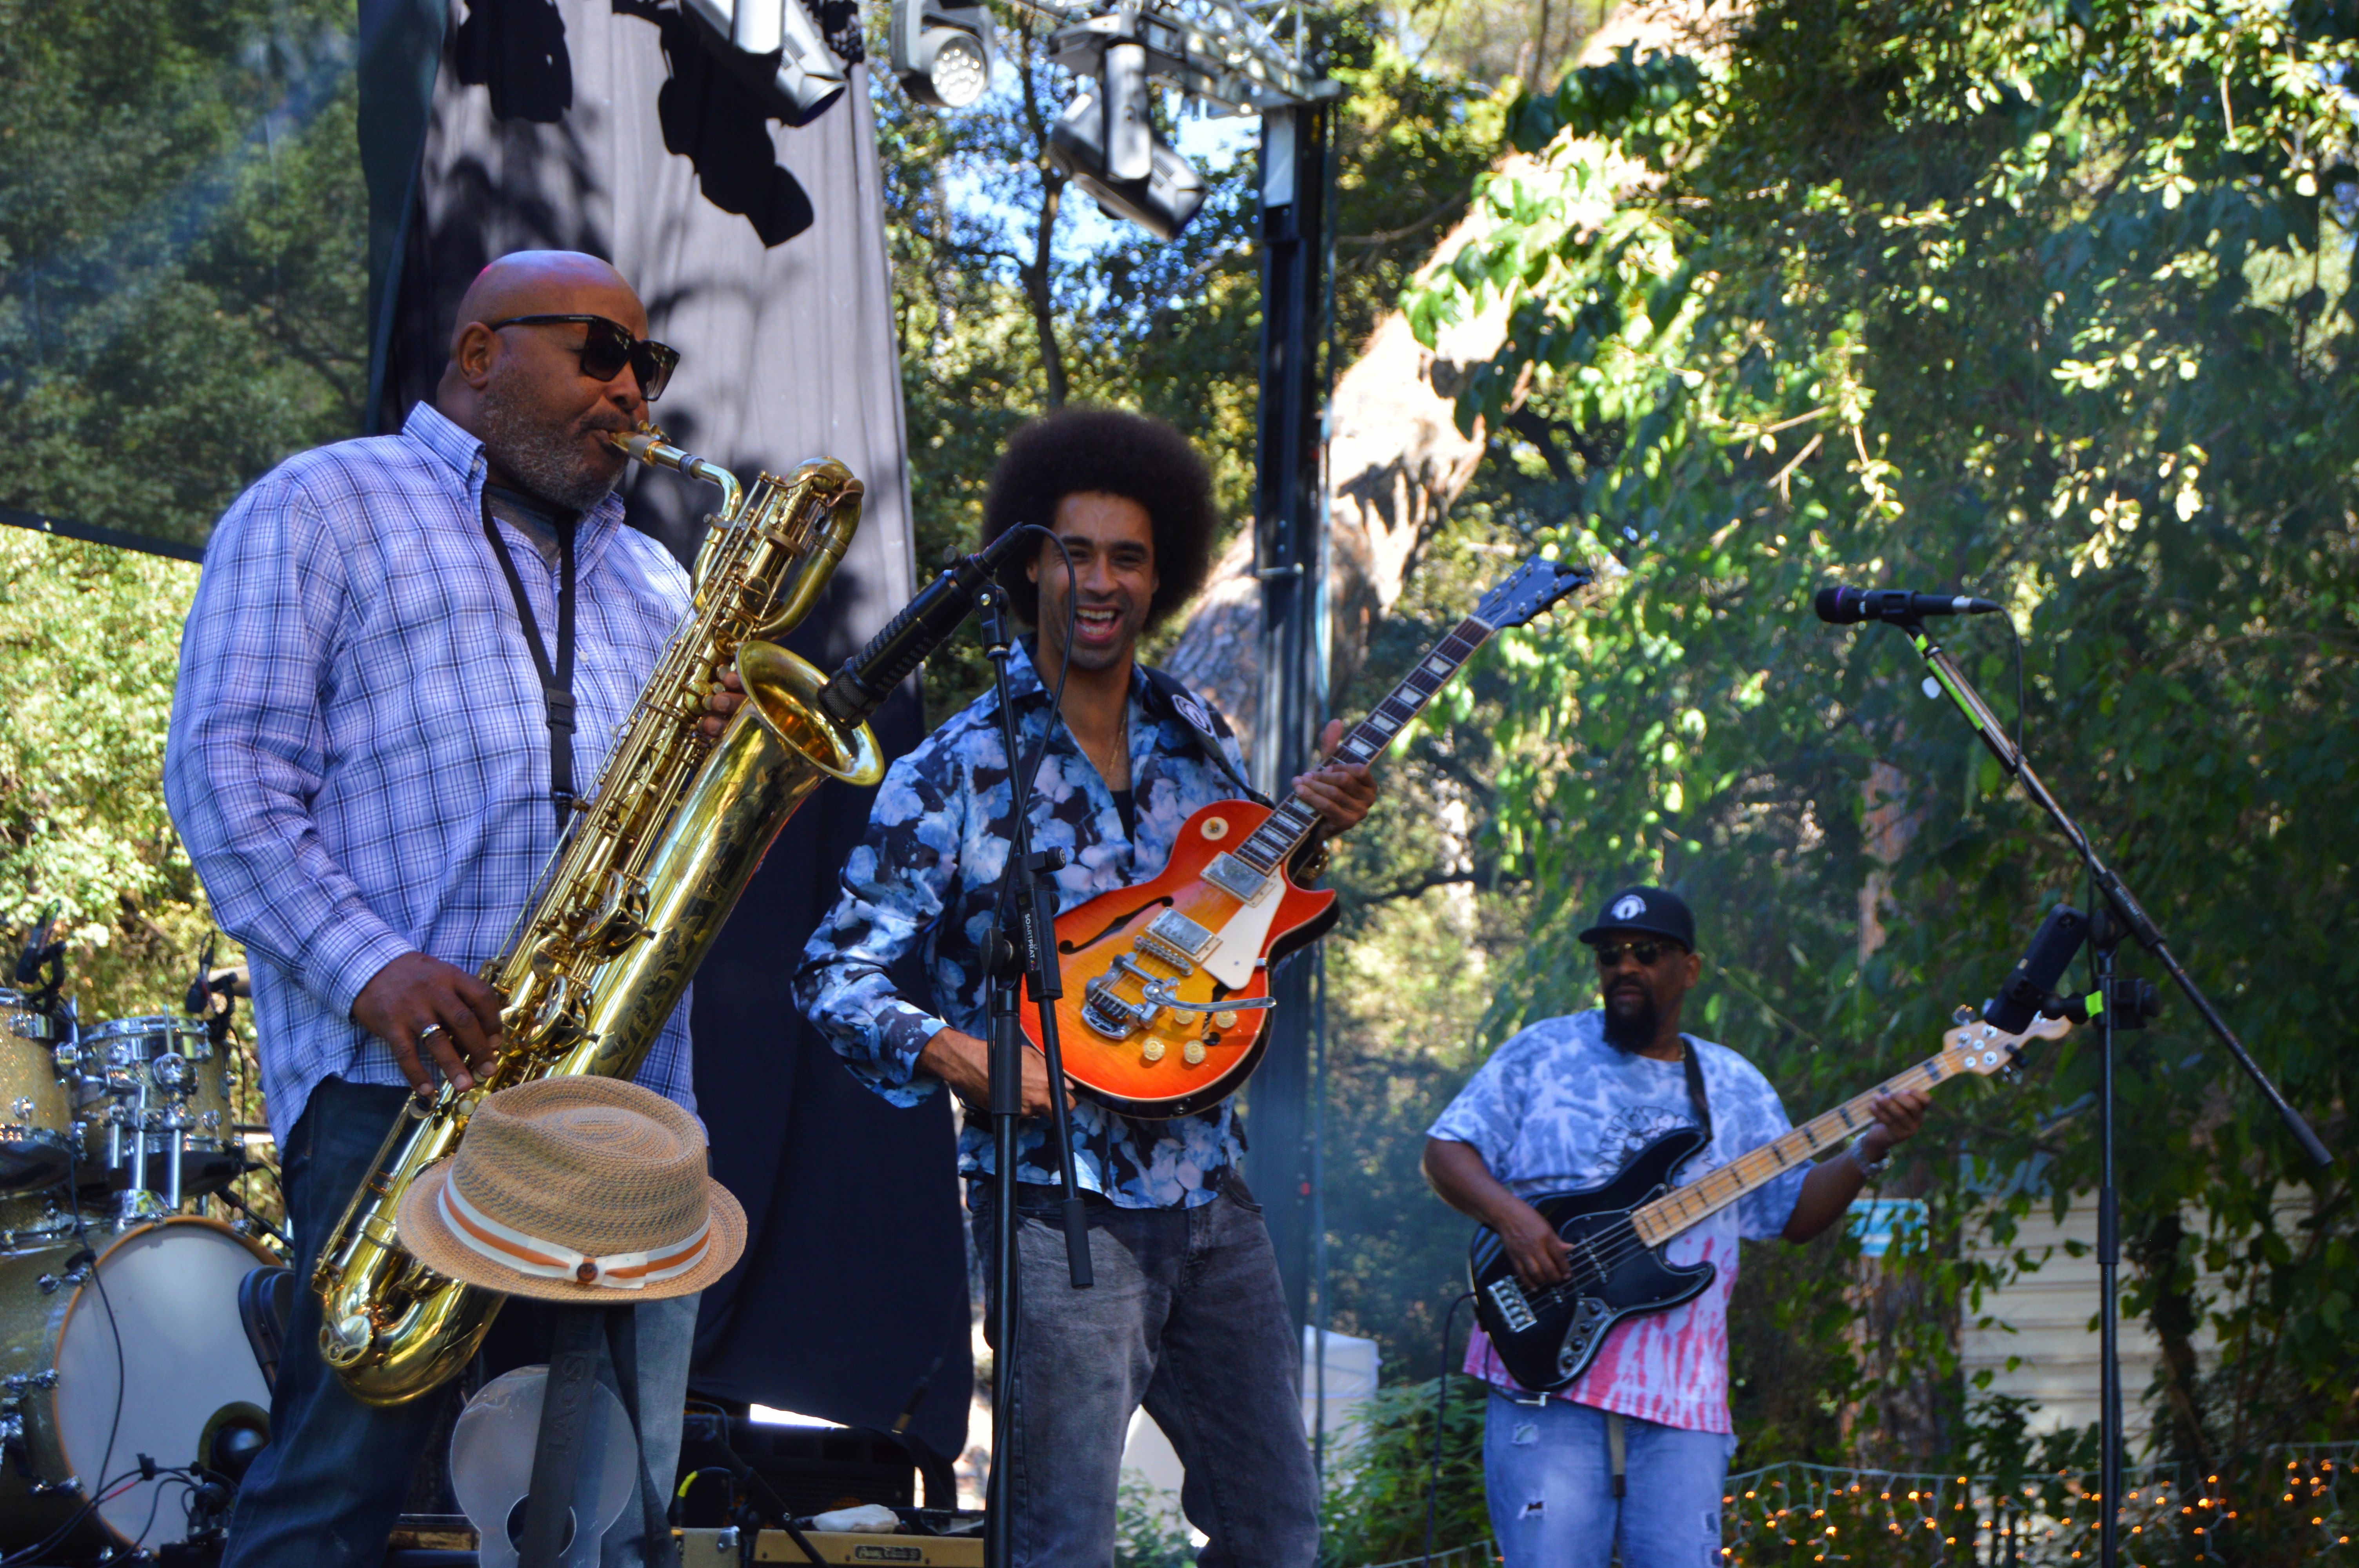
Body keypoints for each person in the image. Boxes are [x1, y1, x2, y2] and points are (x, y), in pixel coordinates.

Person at [165, 250, 737, 1568]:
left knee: (613, 1513)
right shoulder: (320, 505)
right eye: (601, 352)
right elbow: (228, 779)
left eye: (647, 366)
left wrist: (720, 785)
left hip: (628, 1100)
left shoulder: (658, 580)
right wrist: (376, 969)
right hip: (407, 1083)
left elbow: (690, 863)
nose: (631, 393)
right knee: (334, 1484)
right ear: (480, 352)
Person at [796, 408, 1377, 1568]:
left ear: (1159, 577)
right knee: (1061, 1543)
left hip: (1212, 1195)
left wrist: (1311, 836)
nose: (1100, 581)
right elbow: (832, 974)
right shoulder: (956, 766)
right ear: (1029, 568)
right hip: (1059, 1209)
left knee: (1276, 1530)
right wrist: (960, 1056)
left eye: (1128, 557)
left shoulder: (1195, 731)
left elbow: (1236, 922)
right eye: (1075, 552)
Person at [1421, 885, 1930, 1568]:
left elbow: (1793, 1215)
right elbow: (1445, 1151)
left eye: (1647, 953)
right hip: (1546, 1375)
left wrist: (1869, 1149)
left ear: (1688, 969)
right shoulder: (1543, 1052)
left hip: (1682, 1396)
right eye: (1610, 955)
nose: (1624, 966)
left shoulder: (1733, 1084)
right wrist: (1512, 1218)